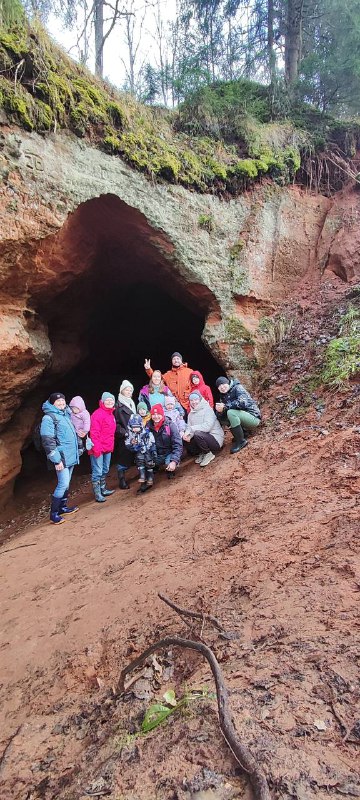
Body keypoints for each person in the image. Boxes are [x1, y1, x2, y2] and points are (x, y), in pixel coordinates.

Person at [40, 392, 80, 525]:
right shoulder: (49, 418)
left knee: (67, 483)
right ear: (52, 404)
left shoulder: (65, 414)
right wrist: (56, 460)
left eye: (63, 401)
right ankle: (54, 513)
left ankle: (62, 507)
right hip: (61, 457)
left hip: (69, 455)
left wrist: (79, 448)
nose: (61, 404)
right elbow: (48, 440)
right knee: (62, 483)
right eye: (58, 402)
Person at [215, 376, 261, 453]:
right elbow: (223, 414)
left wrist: (226, 407)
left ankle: (241, 441)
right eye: (219, 386)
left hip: (253, 417)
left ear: (228, 382)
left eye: (223, 384)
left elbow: (243, 403)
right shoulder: (223, 396)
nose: (222, 387)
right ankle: (242, 434)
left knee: (231, 412)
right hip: (242, 417)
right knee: (222, 417)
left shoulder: (237, 388)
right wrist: (219, 411)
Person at [182, 390, 224, 467]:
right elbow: (189, 427)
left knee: (198, 433)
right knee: (186, 438)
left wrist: (192, 429)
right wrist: (188, 435)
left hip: (215, 439)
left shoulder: (207, 409)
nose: (194, 402)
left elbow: (207, 427)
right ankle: (203, 452)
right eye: (191, 400)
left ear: (200, 399)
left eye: (196, 399)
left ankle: (208, 454)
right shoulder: (191, 414)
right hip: (202, 438)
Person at [88, 392, 116, 502]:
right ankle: (98, 493)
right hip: (98, 447)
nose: (109, 402)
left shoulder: (110, 414)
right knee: (97, 471)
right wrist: (97, 448)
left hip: (107, 446)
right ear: (103, 401)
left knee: (105, 469)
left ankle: (103, 489)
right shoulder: (97, 414)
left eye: (111, 400)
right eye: (107, 400)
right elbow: (94, 433)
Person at [125, 413, 157, 493]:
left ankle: (150, 478)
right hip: (138, 452)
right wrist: (132, 446)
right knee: (140, 462)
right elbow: (127, 443)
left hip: (147, 451)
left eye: (137, 427)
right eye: (134, 427)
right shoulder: (130, 434)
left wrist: (153, 450)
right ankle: (142, 476)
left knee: (149, 464)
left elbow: (152, 441)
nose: (136, 429)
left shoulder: (146, 432)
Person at [148, 404, 183, 477]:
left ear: (162, 414)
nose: (156, 416)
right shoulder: (148, 427)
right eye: (153, 414)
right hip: (156, 454)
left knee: (169, 465)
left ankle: (170, 464)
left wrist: (174, 461)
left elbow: (178, 444)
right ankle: (155, 466)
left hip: (169, 452)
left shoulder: (170, 425)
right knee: (145, 462)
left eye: (158, 414)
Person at [114, 380, 136, 489]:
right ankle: (122, 480)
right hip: (125, 435)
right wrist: (124, 432)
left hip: (134, 433)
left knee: (134, 453)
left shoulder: (131, 402)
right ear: (122, 391)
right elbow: (116, 423)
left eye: (130, 390)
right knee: (124, 455)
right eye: (126, 390)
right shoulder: (118, 405)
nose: (128, 392)